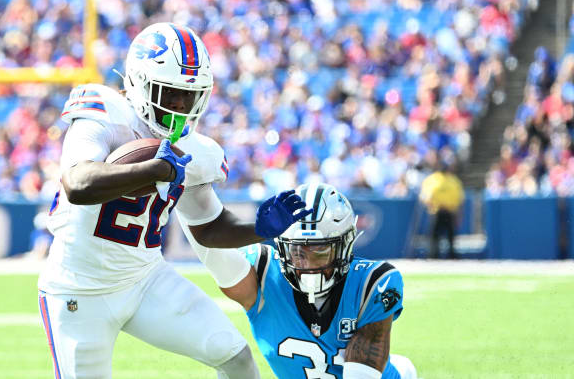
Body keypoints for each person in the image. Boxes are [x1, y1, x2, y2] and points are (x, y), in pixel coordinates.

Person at [38, 22, 312, 379]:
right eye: (169, 92)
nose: (180, 105)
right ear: (138, 80)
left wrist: (259, 229)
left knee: (236, 358)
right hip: (78, 289)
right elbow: (78, 183)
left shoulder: (196, 151)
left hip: (145, 278)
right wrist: (154, 170)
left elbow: (209, 229)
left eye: (189, 95)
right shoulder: (104, 115)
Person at [181, 182, 418, 379]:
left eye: (320, 251)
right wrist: (185, 189)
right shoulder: (264, 273)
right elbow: (213, 253)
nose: (307, 266)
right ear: (281, 249)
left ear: (345, 246)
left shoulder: (372, 282)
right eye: (297, 252)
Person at [419, 162, 465, 259]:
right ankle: (433, 257)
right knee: (434, 238)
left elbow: (460, 199)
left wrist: (458, 214)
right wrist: (431, 205)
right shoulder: (433, 179)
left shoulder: (452, 180)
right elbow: (424, 196)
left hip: (448, 211)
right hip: (437, 211)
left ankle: (451, 257)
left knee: (450, 237)